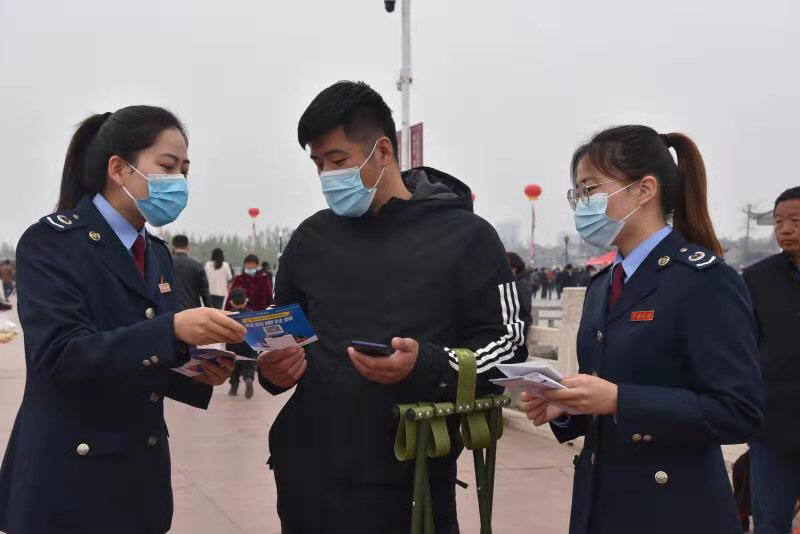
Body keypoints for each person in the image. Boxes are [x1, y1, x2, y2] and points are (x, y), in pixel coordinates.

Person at [256, 81, 528, 533]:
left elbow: (509, 346)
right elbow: (283, 333)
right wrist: (272, 369)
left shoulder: (468, 237)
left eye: (337, 160)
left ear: (382, 150)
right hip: (309, 474)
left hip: (412, 478)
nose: (326, 176)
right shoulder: (309, 239)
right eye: (318, 164)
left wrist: (426, 364)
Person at [0, 106, 246, 534]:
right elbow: (58, 355)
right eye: (167, 166)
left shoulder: (156, 253)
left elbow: (144, 357)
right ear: (118, 169)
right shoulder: (53, 242)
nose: (179, 181)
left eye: (185, 170)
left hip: (138, 480)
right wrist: (172, 329)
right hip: (70, 483)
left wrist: (196, 369)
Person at [521, 125, 764, 534]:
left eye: (590, 189)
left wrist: (621, 401)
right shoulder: (602, 286)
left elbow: (739, 412)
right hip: (601, 504)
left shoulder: (704, 280)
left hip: (673, 510)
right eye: (577, 194)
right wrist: (569, 407)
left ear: (644, 189)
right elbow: (606, 389)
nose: (582, 204)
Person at [742, 186, 800, 534]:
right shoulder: (757, 279)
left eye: (796, 221)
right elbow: (744, 345)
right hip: (773, 422)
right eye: (779, 222)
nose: (785, 229)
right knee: (770, 521)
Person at [226, 287, 258, 398]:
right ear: (246, 300)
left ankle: (233, 388)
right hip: (248, 348)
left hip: (232, 347)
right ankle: (248, 379)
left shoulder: (228, 315)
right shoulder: (251, 314)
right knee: (248, 367)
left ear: (231, 302)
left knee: (233, 369)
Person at [171, 234, 210, 310]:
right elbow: (204, 291)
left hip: (171, 310)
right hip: (192, 309)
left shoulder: (166, 263)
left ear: (173, 247)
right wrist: (209, 308)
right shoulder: (197, 265)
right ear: (188, 247)